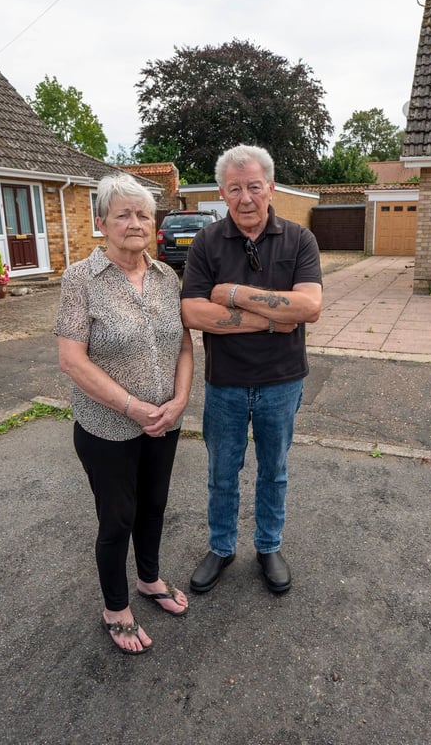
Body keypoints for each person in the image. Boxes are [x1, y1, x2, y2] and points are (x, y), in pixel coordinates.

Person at [54, 173, 194, 655]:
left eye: (143, 214)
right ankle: (115, 607)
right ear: (102, 223)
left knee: (154, 507)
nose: (135, 223)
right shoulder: (80, 280)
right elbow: (72, 360)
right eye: (124, 214)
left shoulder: (166, 277)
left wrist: (178, 402)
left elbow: (184, 346)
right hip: (108, 428)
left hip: (165, 423)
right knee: (117, 519)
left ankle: (150, 580)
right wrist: (136, 408)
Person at [180, 144, 323, 595]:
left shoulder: (299, 239)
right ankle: (221, 548)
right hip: (225, 384)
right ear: (223, 192)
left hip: (281, 382)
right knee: (222, 471)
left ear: (271, 188)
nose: (245, 198)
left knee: (273, 469)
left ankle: (268, 546)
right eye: (235, 188)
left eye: (254, 187)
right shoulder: (207, 241)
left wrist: (233, 293)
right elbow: (192, 313)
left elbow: (311, 307)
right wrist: (274, 318)